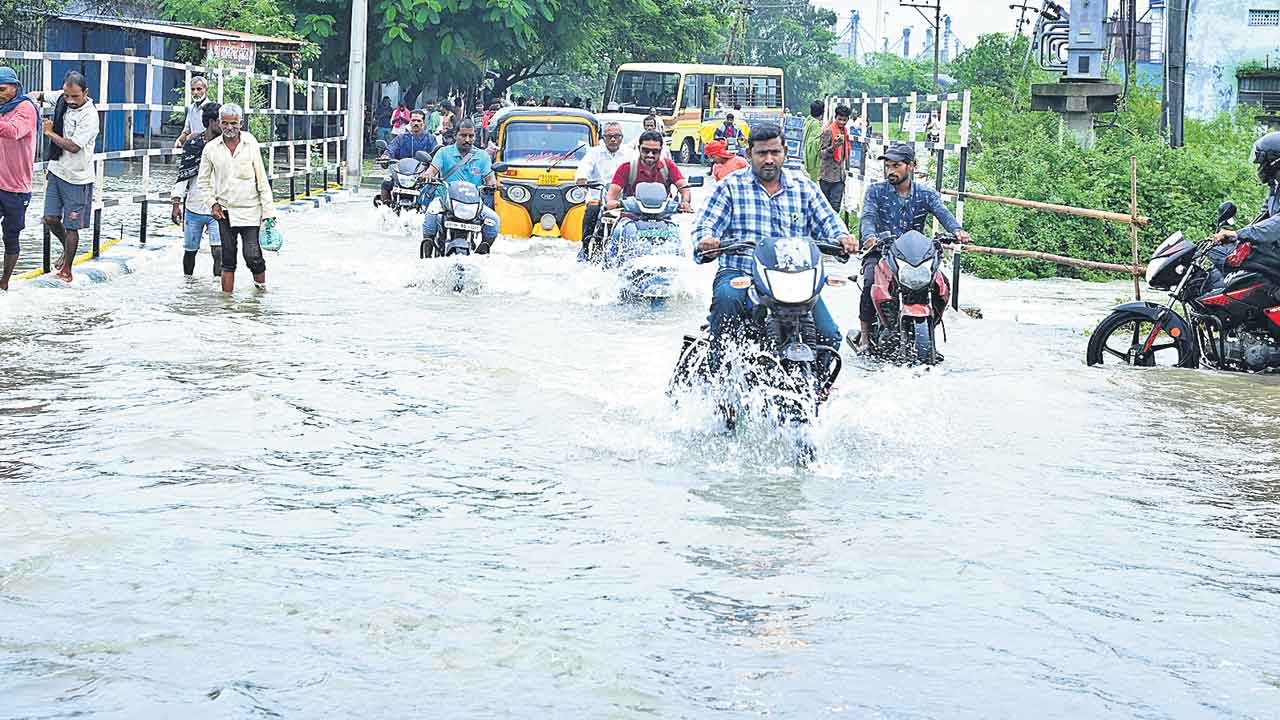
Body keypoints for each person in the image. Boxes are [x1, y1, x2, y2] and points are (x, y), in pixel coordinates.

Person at [693, 124, 859, 381]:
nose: (769, 159)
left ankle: (817, 389)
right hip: (742, 272)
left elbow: (829, 220)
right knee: (726, 302)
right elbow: (706, 223)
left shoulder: (804, 187)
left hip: (796, 277)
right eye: (761, 153)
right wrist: (706, 240)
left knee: (828, 334)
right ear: (749, 154)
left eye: (774, 152)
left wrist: (843, 237)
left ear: (786, 152)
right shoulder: (730, 187)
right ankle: (718, 381)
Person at [854, 142, 970, 353]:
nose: (890, 171)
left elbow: (942, 212)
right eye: (888, 166)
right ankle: (864, 337)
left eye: (896, 165)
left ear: (911, 166)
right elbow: (868, 216)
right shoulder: (876, 191)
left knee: (940, 283)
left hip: (916, 257)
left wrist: (957, 231)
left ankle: (930, 326)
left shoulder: (926, 194)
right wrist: (869, 236)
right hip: (882, 252)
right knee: (871, 280)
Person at [198, 103, 276, 294]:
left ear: (240, 123)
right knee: (228, 259)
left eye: (233, 123)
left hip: (250, 209)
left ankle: (261, 293)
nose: (229, 128)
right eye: (225, 123)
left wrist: (268, 213)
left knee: (253, 256)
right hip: (224, 211)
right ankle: (227, 304)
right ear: (219, 123)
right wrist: (212, 204)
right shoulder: (210, 149)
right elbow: (203, 181)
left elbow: (262, 179)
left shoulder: (251, 143)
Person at [32, 71, 99, 283]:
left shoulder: (90, 115)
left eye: (75, 97)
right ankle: (66, 250)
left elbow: (73, 146)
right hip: (57, 170)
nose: (69, 101)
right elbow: (40, 95)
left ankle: (67, 270)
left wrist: (50, 133)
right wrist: (29, 100)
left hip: (78, 177)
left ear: (85, 93)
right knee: (50, 218)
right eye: (67, 95)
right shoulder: (62, 98)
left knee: (72, 226)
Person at [420, 120, 500, 254]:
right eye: (463, 135)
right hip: (444, 200)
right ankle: (426, 255)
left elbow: (490, 178)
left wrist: (494, 184)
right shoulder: (443, 152)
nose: (467, 139)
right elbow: (432, 170)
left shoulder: (483, 156)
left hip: (473, 203)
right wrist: (427, 175)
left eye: (471, 136)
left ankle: (481, 254)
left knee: (494, 221)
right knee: (430, 216)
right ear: (455, 135)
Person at [1210, 131, 1280, 274]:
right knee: (1223, 252)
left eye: (1262, 162)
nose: (1260, 168)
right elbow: (1263, 216)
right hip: (1275, 247)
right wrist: (1237, 238)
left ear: (1275, 161)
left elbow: (1276, 225)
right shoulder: (1275, 186)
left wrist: (1238, 234)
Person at [171, 101, 223, 277]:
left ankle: (219, 288)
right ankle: (188, 285)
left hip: (219, 207)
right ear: (210, 122)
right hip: (194, 205)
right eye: (220, 121)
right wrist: (176, 203)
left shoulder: (227, 146)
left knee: (219, 252)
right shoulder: (193, 145)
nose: (223, 125)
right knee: (190, 251)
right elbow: (183, 174)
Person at [0, 67, 39, 290]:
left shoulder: (25, 108)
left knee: (11, 236)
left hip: (16, 187)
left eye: (3, 89)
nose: (0, 94)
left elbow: (14, 131)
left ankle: (4, 281)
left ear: (15, 87)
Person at [574, 121, 630, 259]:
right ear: (603, 138)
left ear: (622, 138)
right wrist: (582, 177)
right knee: (592, 209)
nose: (613, 139)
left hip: (621, 196)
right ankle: (585, 247)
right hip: (597, 193)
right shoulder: (594, 152)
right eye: (609, 136)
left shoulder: (630, 153)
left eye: (617, 136)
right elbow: (584, 166)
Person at [606, 130, 691, 211]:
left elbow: (684, 187)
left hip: (663, 218)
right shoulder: (627, 168)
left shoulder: (668, 166)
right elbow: (612, 194)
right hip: (631, 218)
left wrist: (685, 201)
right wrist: (612, 203)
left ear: (661, 151)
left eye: (655, 151)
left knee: (676, 227)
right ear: (639, 149)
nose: (650, 155)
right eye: (646, 151)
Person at [377, 109, 438, 206]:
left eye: (419, 121)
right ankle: (386, 207)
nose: (416, 123)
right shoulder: (401, 138)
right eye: (413, 120)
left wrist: (430, 169)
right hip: (401, 174)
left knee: (433, 189)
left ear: (423, 123)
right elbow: (391, 148)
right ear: (410, 122)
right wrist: (385, 156)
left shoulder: (430, 139)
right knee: (386, 182)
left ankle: (428, 212)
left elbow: (437, 155)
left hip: (421, 176)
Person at [818, 105, 853, 214]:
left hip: (839, 177)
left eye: (844, 120)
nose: (842, 122)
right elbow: (821, 154)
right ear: (835, 117)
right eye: (840, 119)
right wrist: (834, 147)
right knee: (825, 208)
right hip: (827, 177)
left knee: (835, 208)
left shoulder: (845, 132)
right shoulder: (828, 131)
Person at [174, 76, 211, 148]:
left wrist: (197, 135)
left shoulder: (211, 107)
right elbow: (186, 131)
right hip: (194, 147)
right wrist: (179, 140)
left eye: (199, 89)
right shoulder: (191, 108)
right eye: (193, 89)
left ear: (206, 90)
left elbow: (215, 131)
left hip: (208, 147)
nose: (195, 92)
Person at [803, 99, 824, 182]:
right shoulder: (816, 124)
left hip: (807, 158)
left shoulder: (808, 121)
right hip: (813, 162)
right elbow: (814, 143)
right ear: (822, 113)